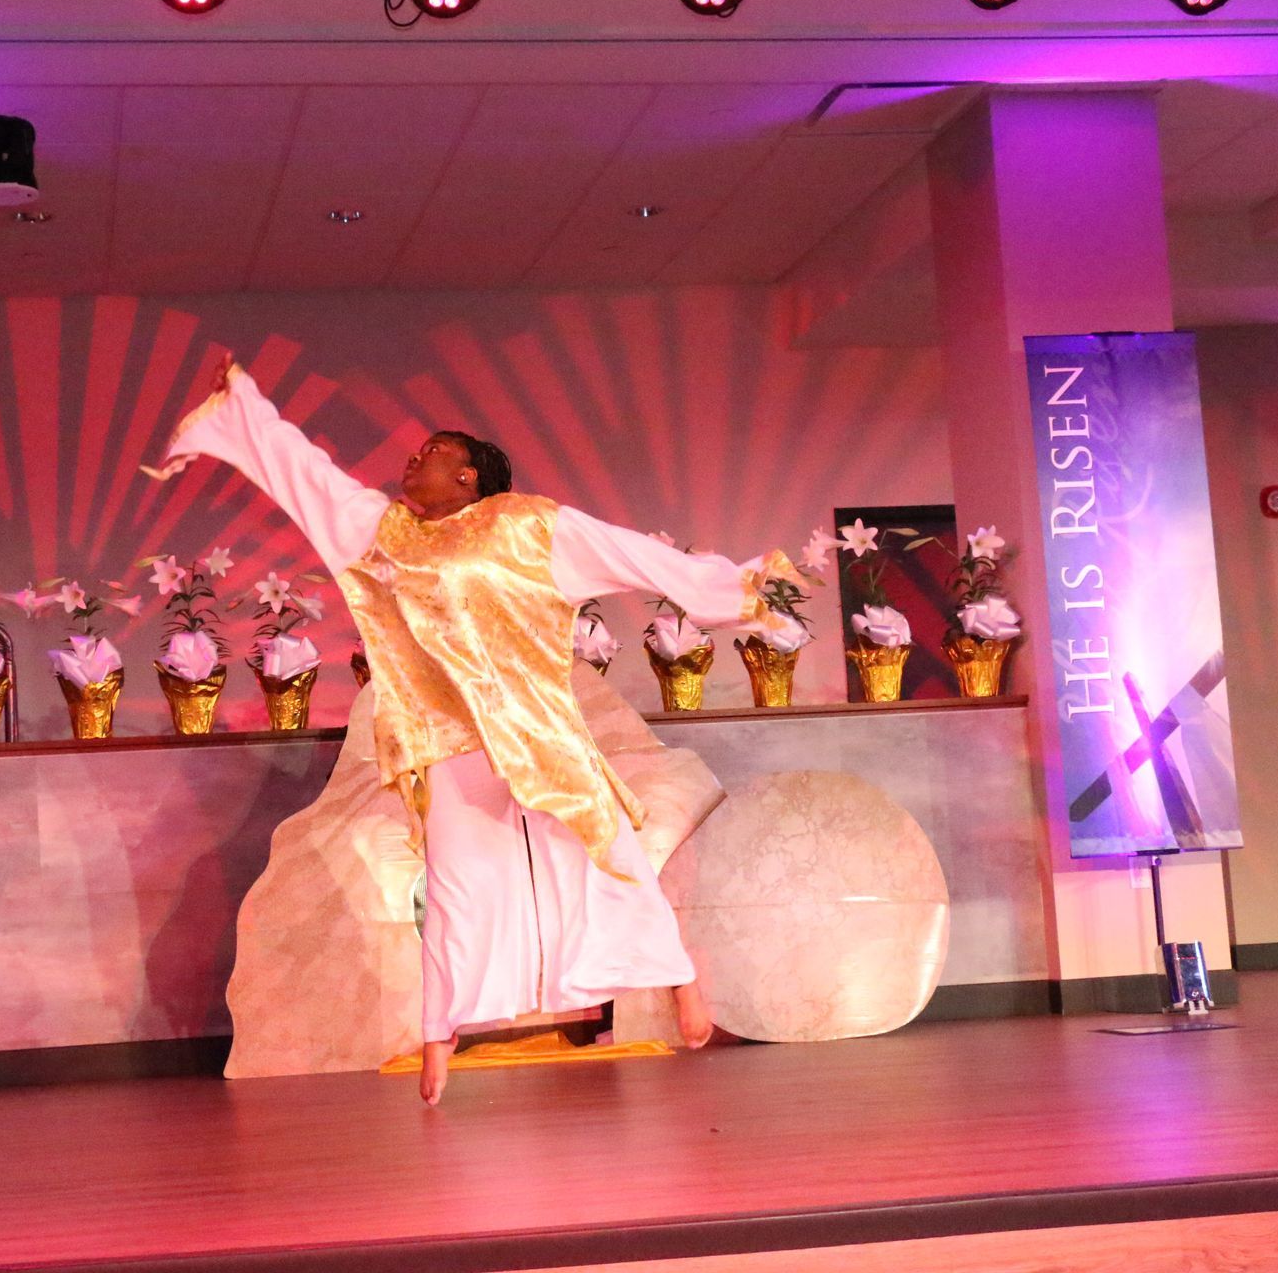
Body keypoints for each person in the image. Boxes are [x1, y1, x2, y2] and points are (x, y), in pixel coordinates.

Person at [154, 357, 802, 1105]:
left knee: (604, 849)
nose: (414, 459)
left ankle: (679, 982)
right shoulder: (387, 534)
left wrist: (738, 590)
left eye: (433, 453)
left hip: (536, 728)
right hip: (446, 738)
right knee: (458, 888)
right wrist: (242, 412)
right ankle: (439, 1037)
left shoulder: (527, 524)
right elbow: (313, 481)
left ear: (470, 478)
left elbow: (636, 556)